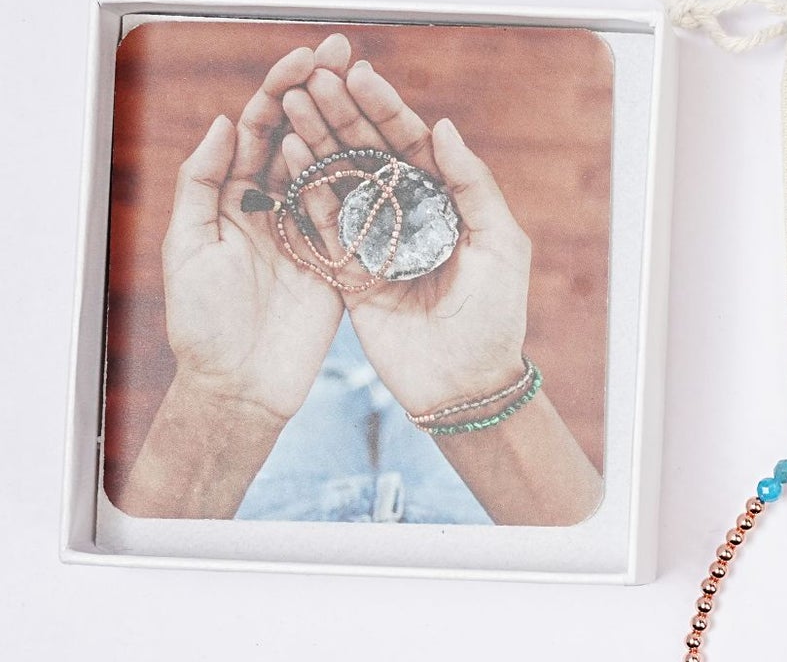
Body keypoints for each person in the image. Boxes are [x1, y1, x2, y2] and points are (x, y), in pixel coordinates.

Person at [120, 34, 603, 526]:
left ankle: (347, 349)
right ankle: (357, 349)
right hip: (464, 520)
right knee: (339, 360)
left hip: (278, 514)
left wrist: (225, 402)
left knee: (325, 380)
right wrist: (476, 394)